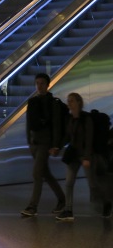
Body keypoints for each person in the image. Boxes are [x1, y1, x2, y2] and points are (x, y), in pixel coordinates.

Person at [20, 73, 66, 217]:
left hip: (45, 143)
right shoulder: (32, 102)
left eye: (42, 83)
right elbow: (29, 123)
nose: (39, 86)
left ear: (47, 85)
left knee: (37, 173)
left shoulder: (53, 103)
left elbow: (57, 125)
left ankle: (33, 206)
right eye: (37, 83)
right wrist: (29, 140)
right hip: (34, 142)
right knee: (45, 173)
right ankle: (62, 199)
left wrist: (56, 145)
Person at [56, 92, 94, 221]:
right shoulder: (70, 119)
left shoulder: (86, 119)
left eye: (71, 101)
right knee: (69, 182)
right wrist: (58, 147)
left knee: (93, 184)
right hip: (74, 155)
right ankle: (68, 209)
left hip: (84, 155)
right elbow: (68, 136)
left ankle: (107, 203)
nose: (69, 103)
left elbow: (89, 139)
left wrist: (87, 157)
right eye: (68, 101)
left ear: (79, 102)